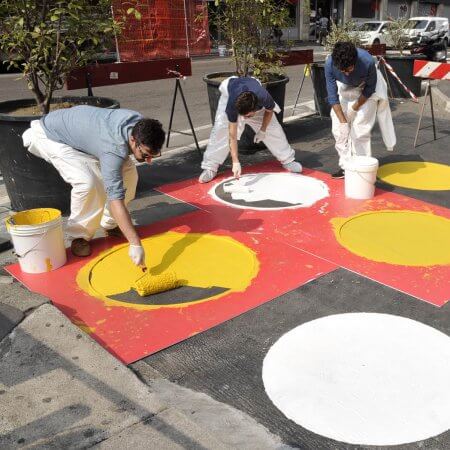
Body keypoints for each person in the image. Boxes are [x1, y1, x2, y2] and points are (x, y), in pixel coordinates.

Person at [21, 106, 166, 266]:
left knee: (130, 176)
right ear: (133, 139)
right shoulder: (113, 149)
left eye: (153, 155)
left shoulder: (138, 124)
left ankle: (110, 224)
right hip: (54, 137)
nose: (149, 160)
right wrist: (135, 243)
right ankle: (79, 236)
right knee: (89, 183)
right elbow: (115, 199)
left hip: (88, 137)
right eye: (145, 154)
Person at [199, 76, 302, 183]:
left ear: (256, 108)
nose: (244, 119)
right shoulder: (231, 107)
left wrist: (263, 130)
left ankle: (288, 160)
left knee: (273, 128)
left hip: (252, 91)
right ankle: (210, 167)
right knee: (221, 130)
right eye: (242, 116)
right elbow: (232, 135)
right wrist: (235, 161)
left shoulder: (264, 97)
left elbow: (269, 111)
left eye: (248, 116)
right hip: (230, 91)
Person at [325, 42, 396, 178]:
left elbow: (369, 89)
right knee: (339, 130)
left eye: (349, 69)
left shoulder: (367, 61)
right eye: (342, 70)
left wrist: (354, 109)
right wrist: (343, 122)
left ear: (355, 62)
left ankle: (361, 168)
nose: (345, 72)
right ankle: (346, 166)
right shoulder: (330, 63)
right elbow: (332, 96)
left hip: (367, 89)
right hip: (346, 86)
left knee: (359, 129)